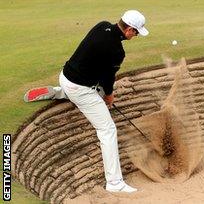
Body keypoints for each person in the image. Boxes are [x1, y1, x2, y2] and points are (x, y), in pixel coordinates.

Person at [24, 10, 149, 193]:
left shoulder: (102, 25)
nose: (136, 35)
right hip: (80, 89)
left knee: (89, 89)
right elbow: (108, 79)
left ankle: (59, 92)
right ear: (129, 30)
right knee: (107, 129)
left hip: (65, 77)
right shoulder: (117, 51)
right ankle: (114, 183)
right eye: (137, 32)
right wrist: (109, 96)